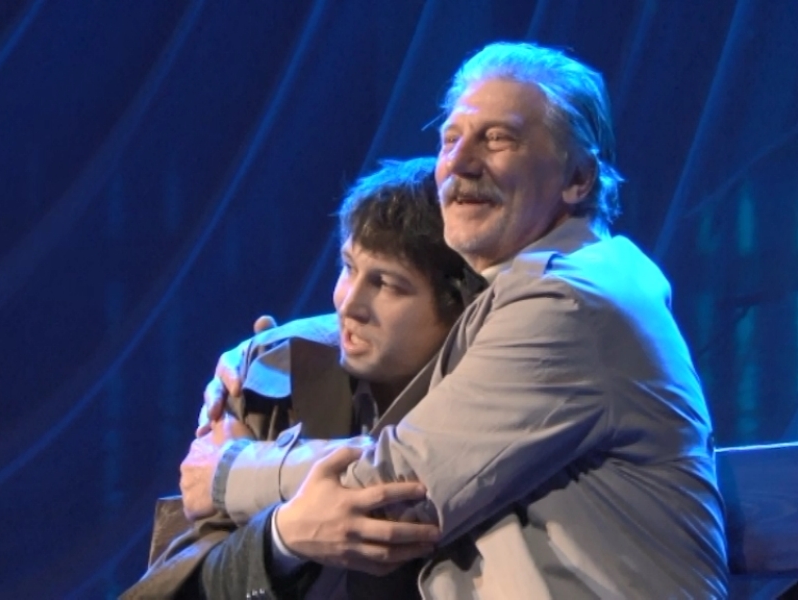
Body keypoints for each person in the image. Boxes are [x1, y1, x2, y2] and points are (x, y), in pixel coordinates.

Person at [183, 41, 728, 598]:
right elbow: (452, 320)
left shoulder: (569, 303)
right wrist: (272, 348)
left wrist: (228, 471)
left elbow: (394, 485)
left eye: (498, 138)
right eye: (450, 138)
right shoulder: (563, 284)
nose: (460, 162)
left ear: (579, 178)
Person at [122, 156, 477, 599]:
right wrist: (282, 540)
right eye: (348, 267)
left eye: (386, 284)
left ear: (461, 305)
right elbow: (170, 588)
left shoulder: (503, 395)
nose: (348, 303)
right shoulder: (272, 381)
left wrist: (246, 473)